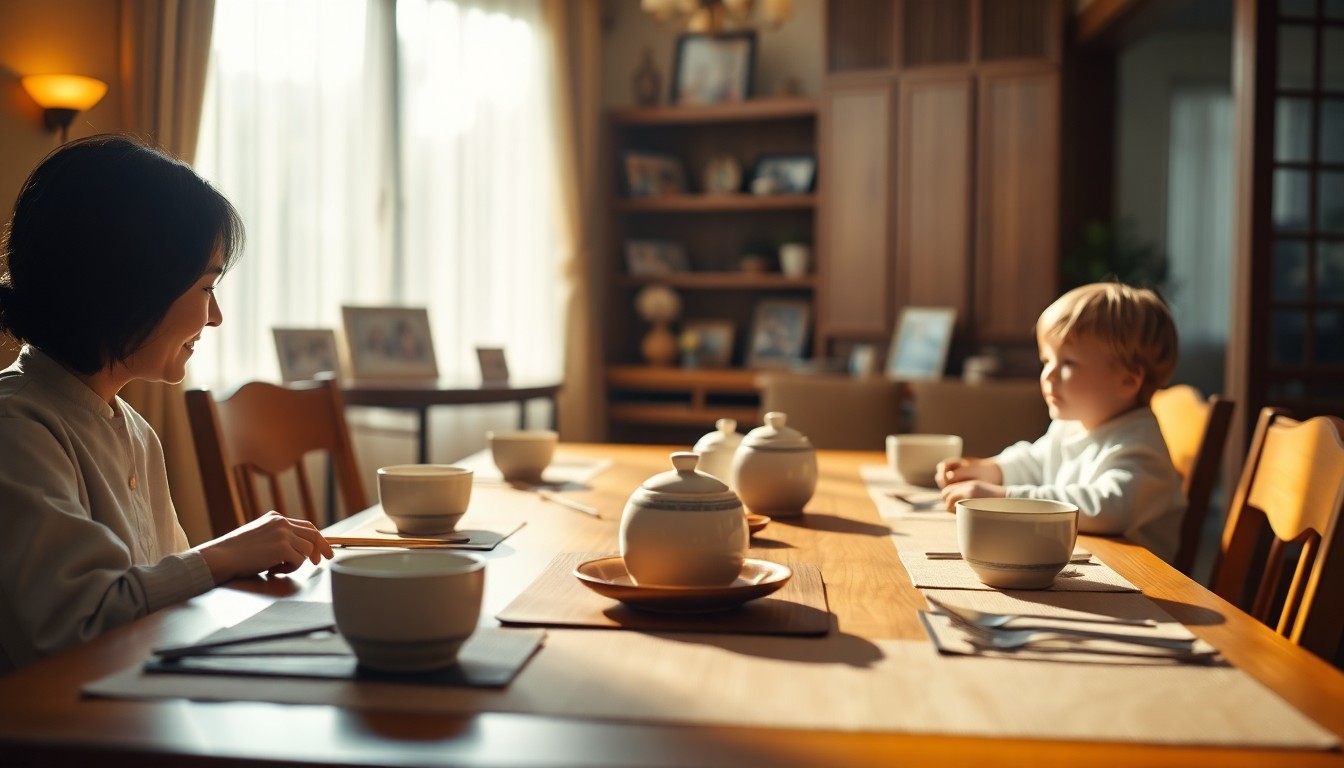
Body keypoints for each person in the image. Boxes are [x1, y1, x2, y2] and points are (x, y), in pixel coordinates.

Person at [0, 135, 334, 674]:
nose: (216, 317)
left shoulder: (133, 430)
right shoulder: (18, 426)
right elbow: (74, 630)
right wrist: (225, 554)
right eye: (205, 288)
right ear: (131, 283)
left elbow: (162, 604)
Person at [935, 282, 1186, 562]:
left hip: (1137, 578)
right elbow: (1035, 462)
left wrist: (1005, 497)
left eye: (1068, 363)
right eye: (1046, 360)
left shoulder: (1141, 445)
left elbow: (1106, 507)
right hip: (1090, 561)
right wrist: (990, 470)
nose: (1048, 375)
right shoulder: (1073, 425)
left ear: (1128, 381)